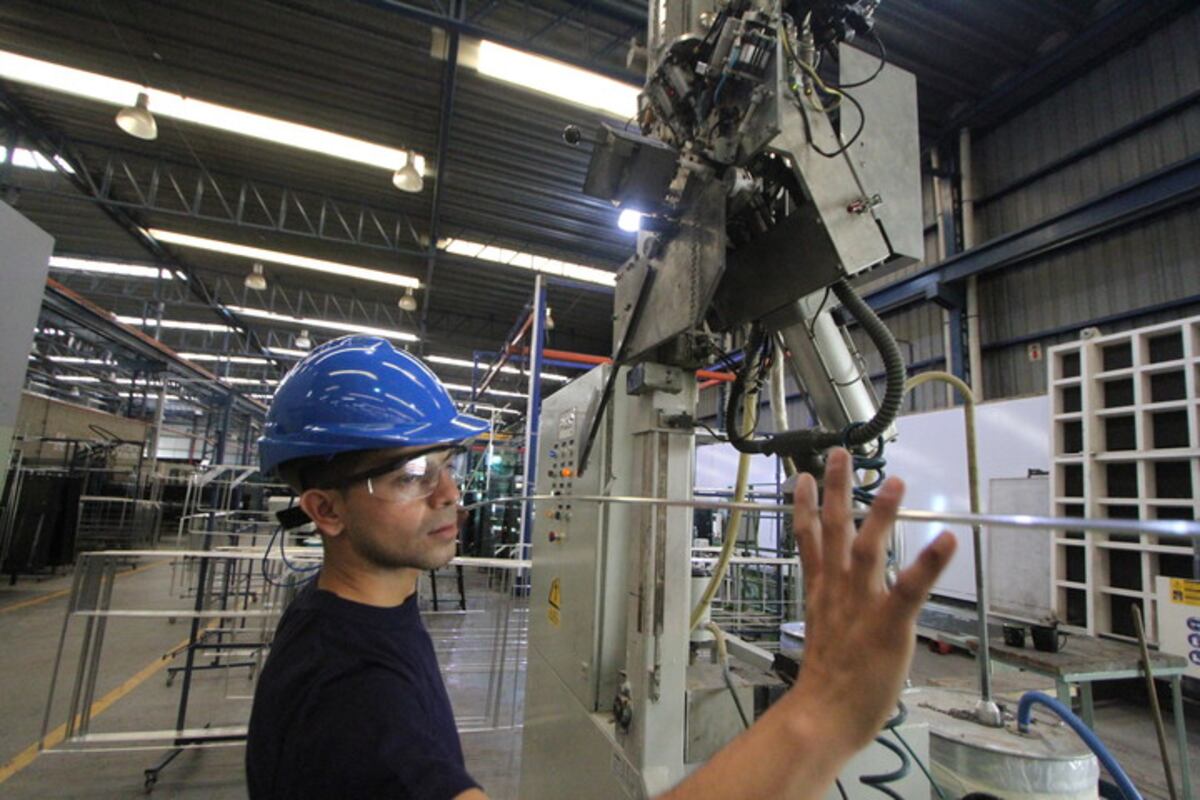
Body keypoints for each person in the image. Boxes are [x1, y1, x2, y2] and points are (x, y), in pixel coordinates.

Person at [245, 335, 956, 800]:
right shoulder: (355, 705)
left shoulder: (346, 615)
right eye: (410, 475)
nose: (449, 493)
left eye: (447, 463)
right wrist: (823, 715)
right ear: (325, 511)